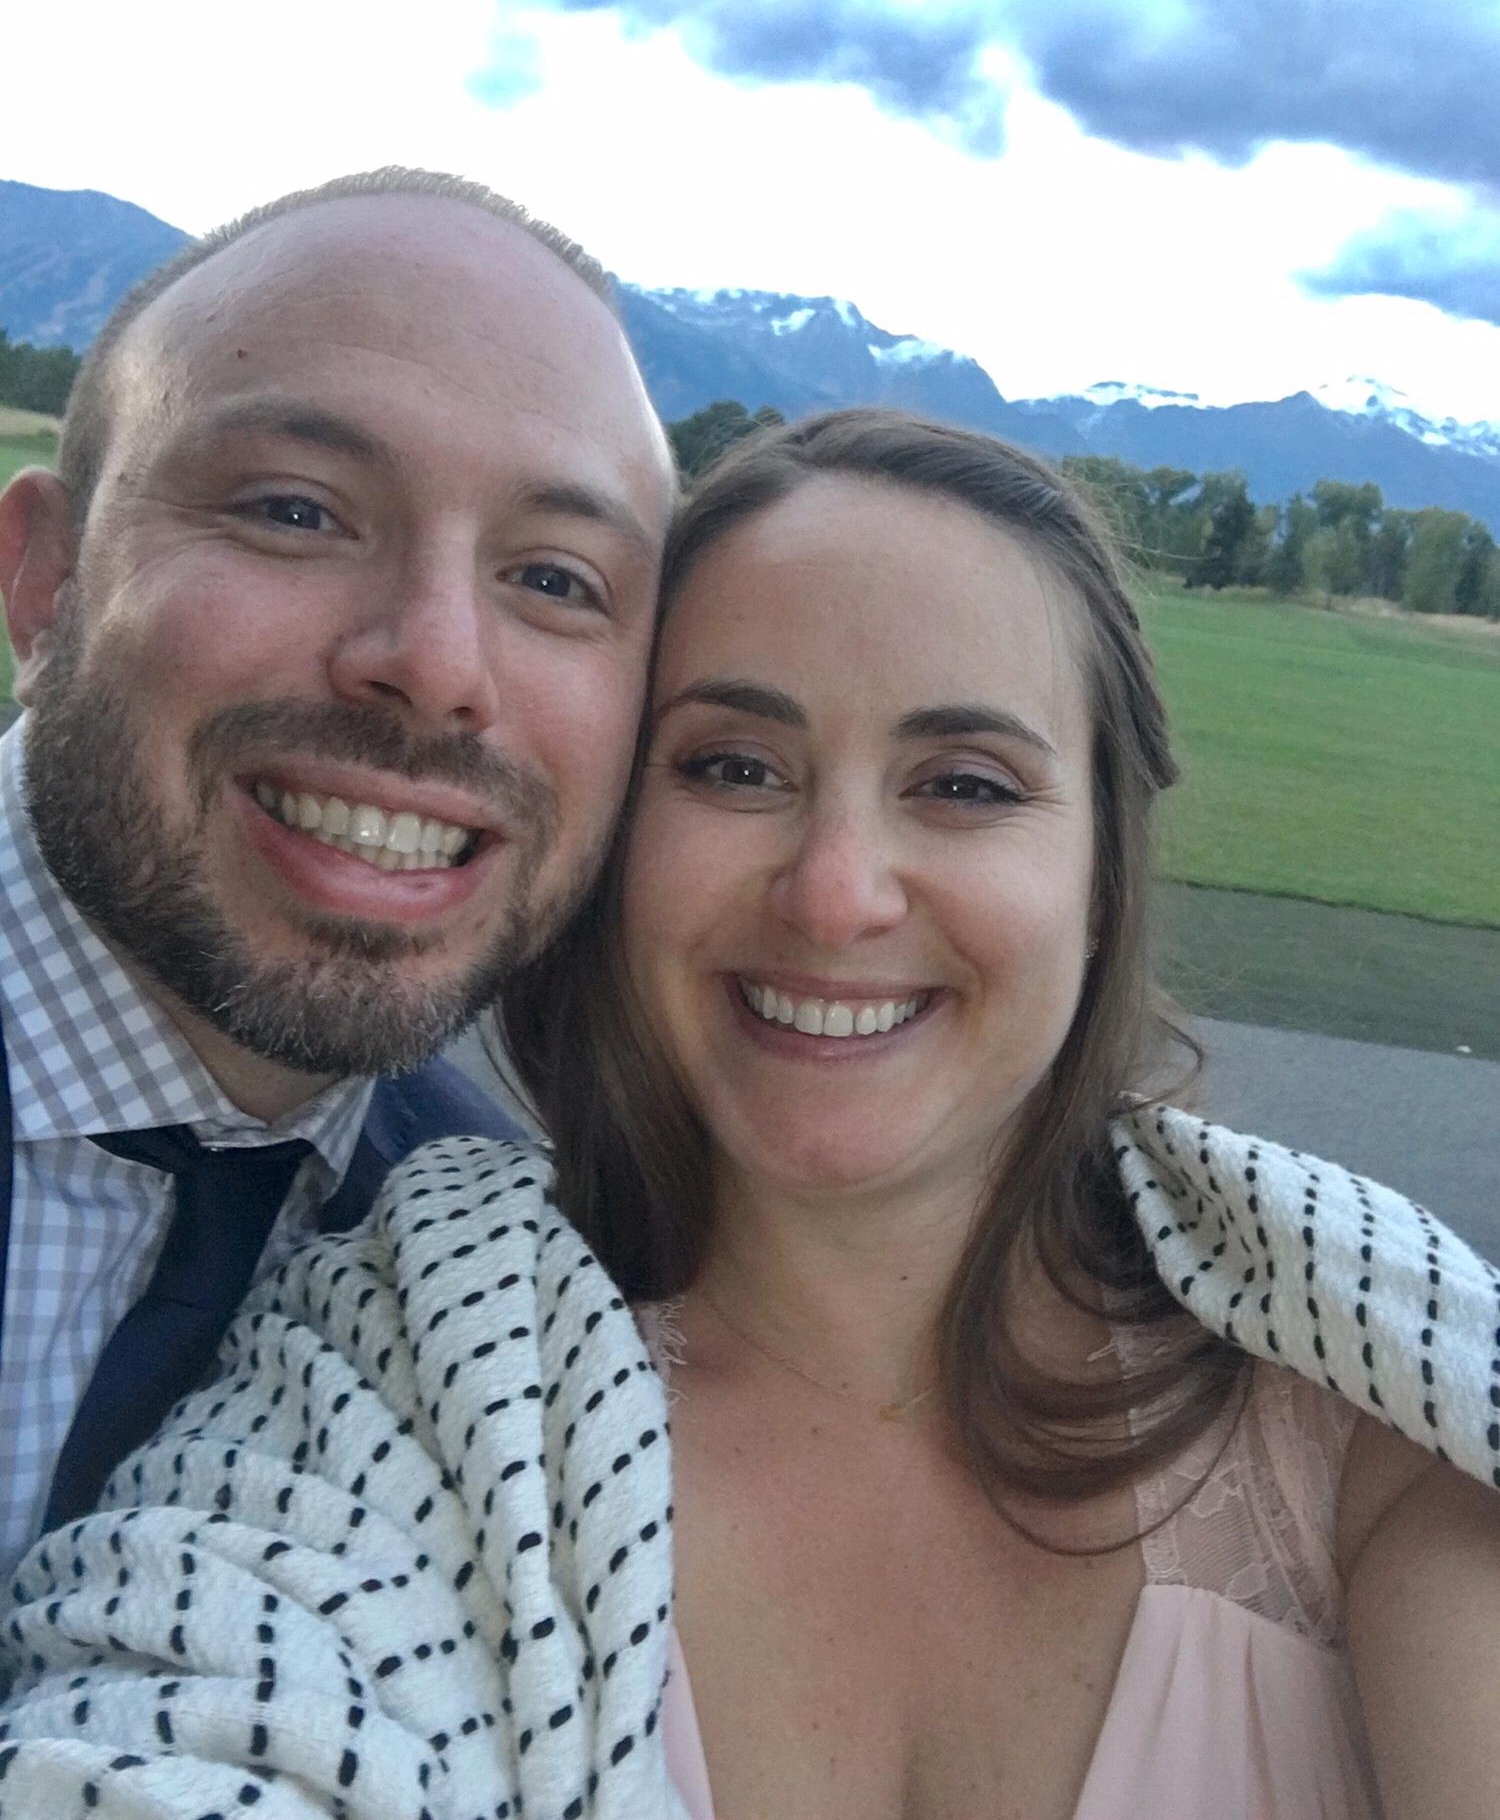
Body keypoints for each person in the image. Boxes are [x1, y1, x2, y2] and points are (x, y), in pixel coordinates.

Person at [1, 411, 1497, 1819]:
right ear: (609, 840)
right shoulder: (401, 1386)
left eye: (965, 785)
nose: (837, 895)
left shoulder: (1373, 1392)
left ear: (1102, 867)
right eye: (733, 767)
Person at [0, 167, 675, 1579]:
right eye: (297, 511)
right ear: (45, 579)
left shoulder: (506, 1297)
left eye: (556, 579)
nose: (436, 663)